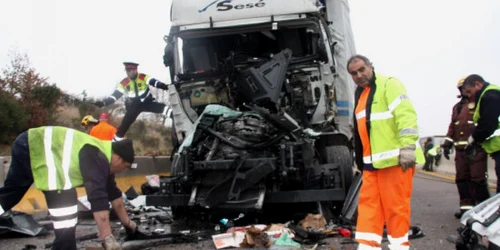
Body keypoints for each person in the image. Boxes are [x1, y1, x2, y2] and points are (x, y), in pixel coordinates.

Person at [0, 126, 140, 250]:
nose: (122, 171)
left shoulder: (104, 158)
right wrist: (107, 238)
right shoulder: (97, 156)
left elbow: (114, 195)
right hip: (34, 145)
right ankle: (64, 246)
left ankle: (64, 246)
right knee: (64, 204)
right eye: (124, 167)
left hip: (30, 143)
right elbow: (97, 197)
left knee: (12, 193)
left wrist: (129, 224)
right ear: (118, 159)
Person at [349, 55, 424, 250]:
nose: (359, 75)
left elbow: (406, 116)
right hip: (371, 165)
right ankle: (367, 247)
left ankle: (399, 247)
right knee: (368, 209)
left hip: (395, 161)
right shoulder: (361, 93)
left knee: (395, 209)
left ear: (370, 67)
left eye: (362, 69)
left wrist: (408, 147)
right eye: (354, 73)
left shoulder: (389, 84)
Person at [442, 76, 490, 219]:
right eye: (462, 89)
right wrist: (447, 143)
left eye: (465, 88)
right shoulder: (457, 107)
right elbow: (452, 126)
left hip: (476, 149)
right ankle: (466, 209)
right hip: (460, 151)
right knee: (462, 179)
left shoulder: (479, 103)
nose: (464, 91)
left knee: (477, 179)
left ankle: (482, 210)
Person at [94, 62, 171, 141]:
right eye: (127, 71)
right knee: (124, 124)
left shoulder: (142, 77)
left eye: (129, 71)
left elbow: (153, 82)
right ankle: (115, 142)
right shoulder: (124, 82)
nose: (127, 73)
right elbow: (115, 95)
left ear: (135, 70)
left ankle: (174, 117)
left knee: (165, 109)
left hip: (147, 102)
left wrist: (164, 86)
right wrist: (104, 103)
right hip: (135, 105)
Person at [461, 74, 500, 194]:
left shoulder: (490, 96)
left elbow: (487, 123)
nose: (469, 95)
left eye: (469, 91)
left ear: (478, 84)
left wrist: (474, 138)